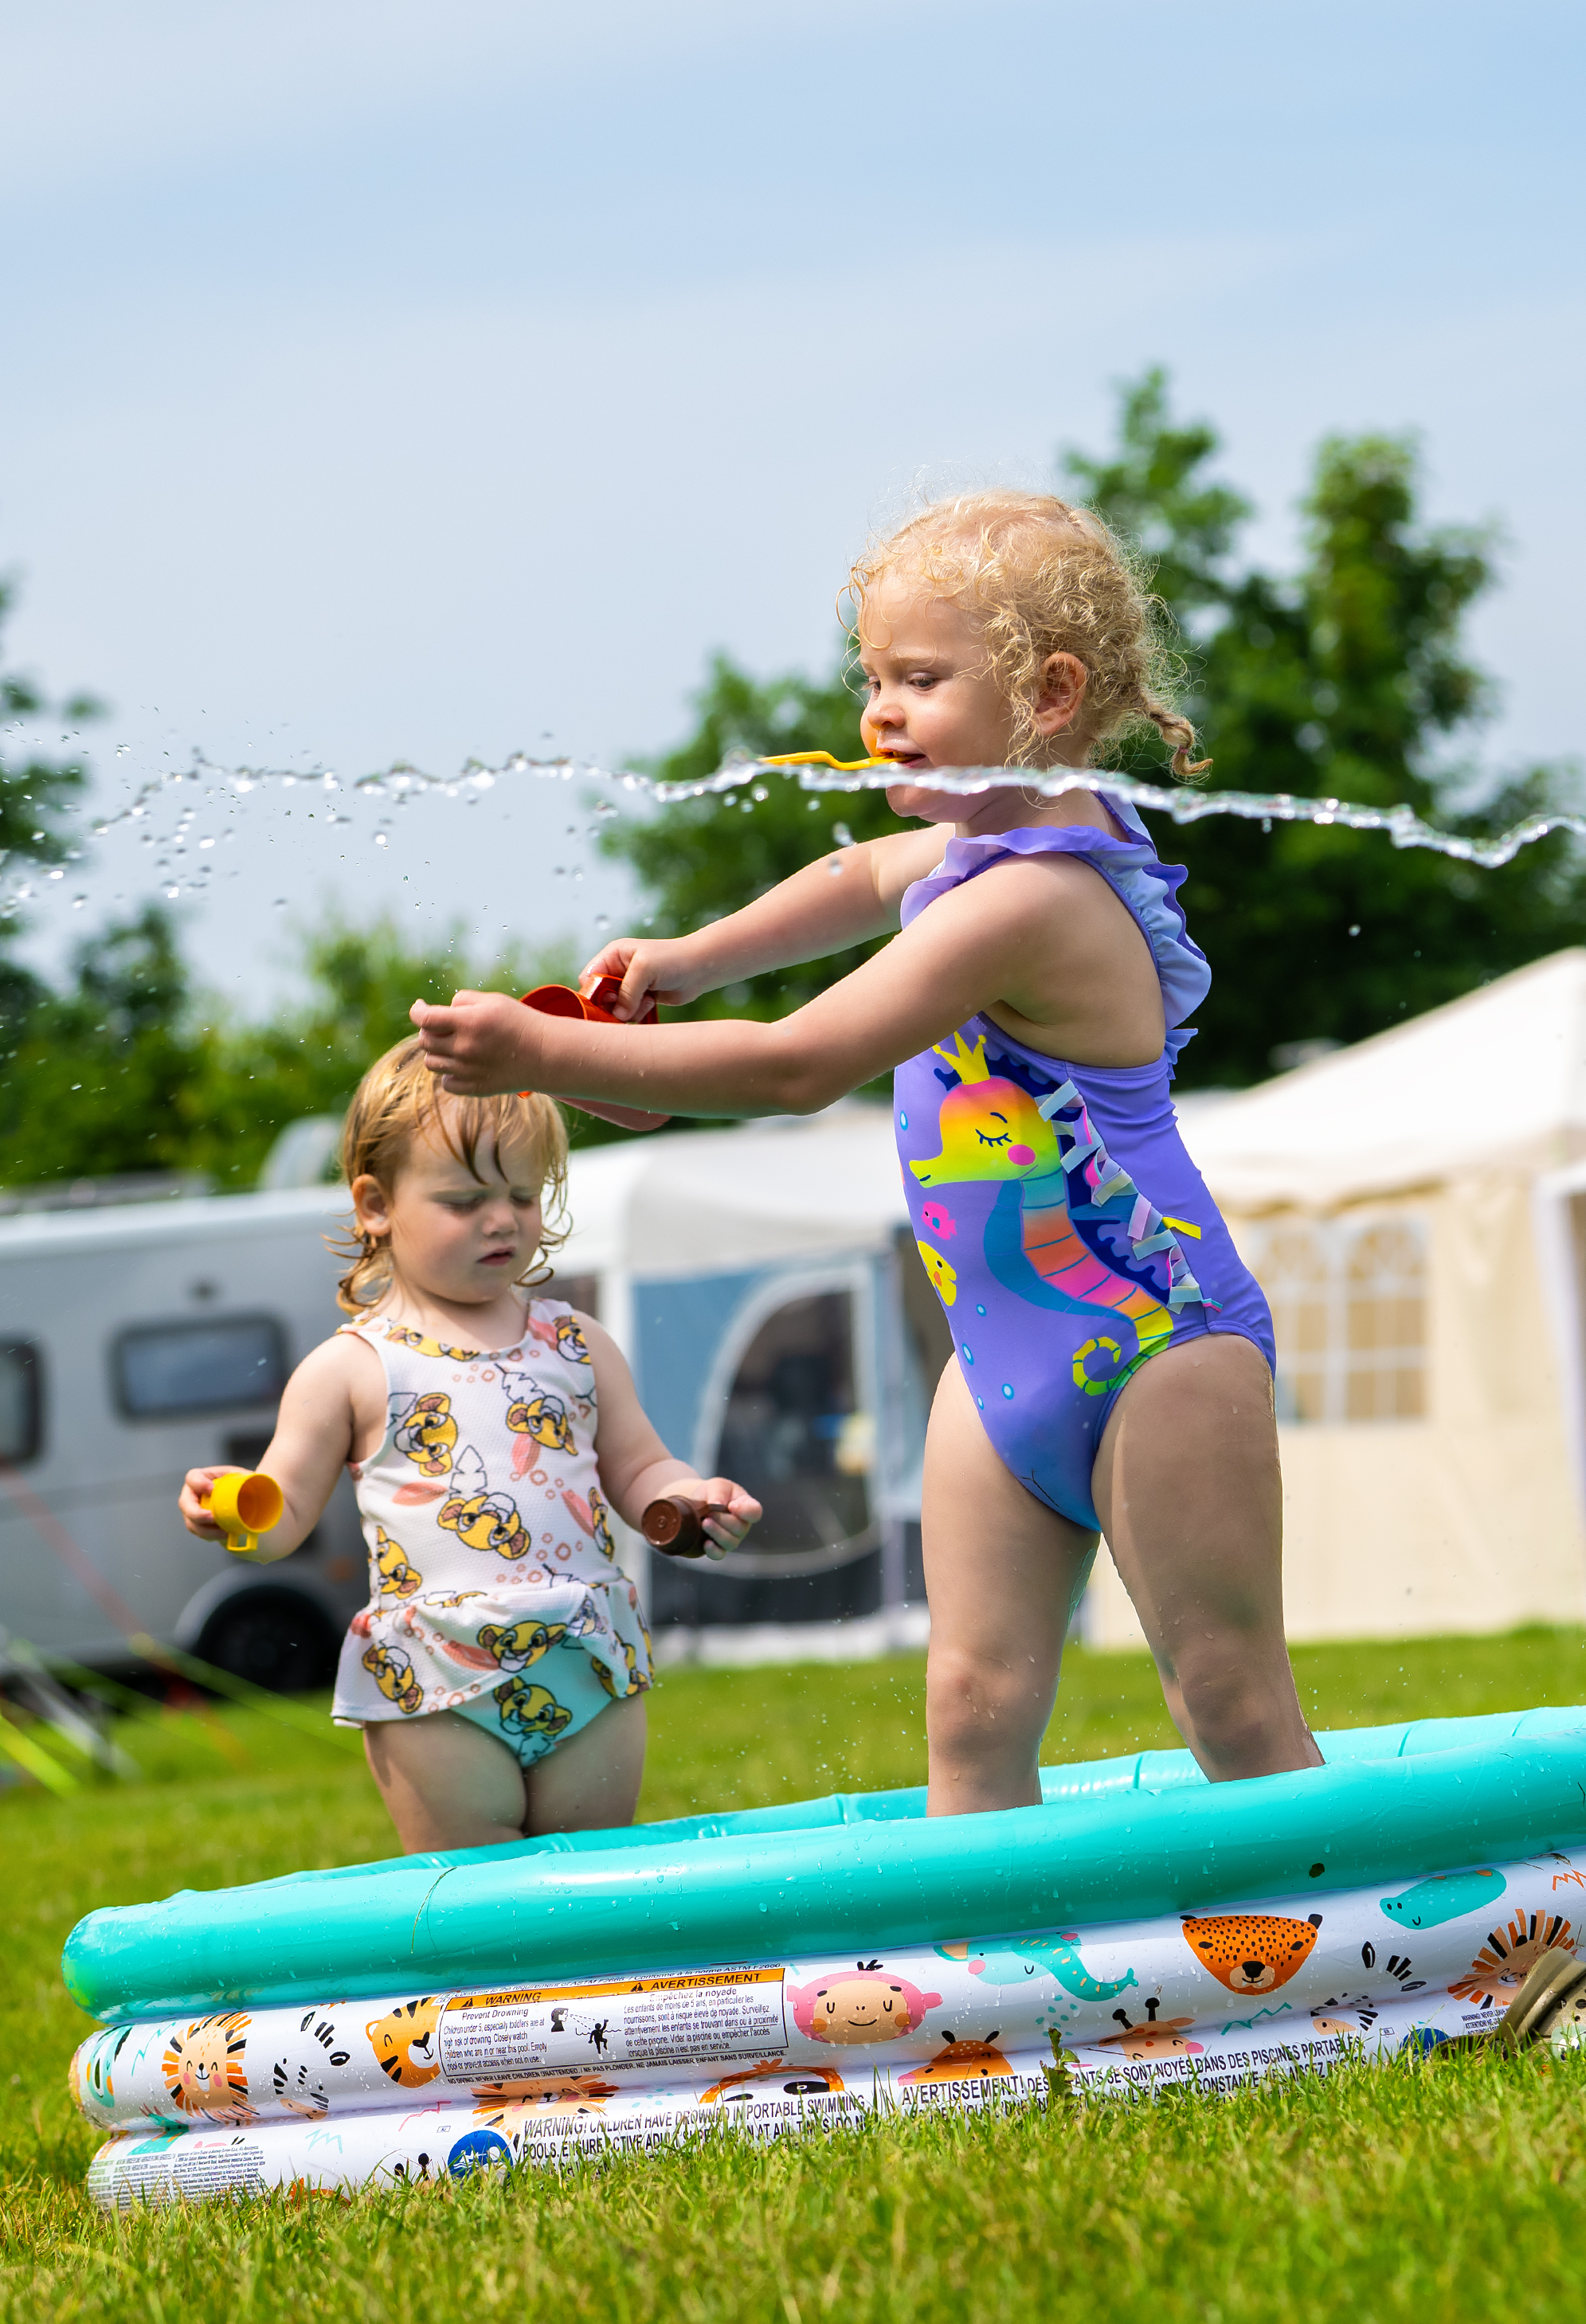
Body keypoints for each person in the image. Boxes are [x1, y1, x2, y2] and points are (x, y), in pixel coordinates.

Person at [413, 490, 1321, 1814]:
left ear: (1049, 692)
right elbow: (848, 882)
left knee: (1226, 1696)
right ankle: (990, 2000)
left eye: (919, 679)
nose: (876, 713)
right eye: (869, 680)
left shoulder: (1032, 898)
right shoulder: (966, 853)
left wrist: (543, 1057)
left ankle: (1348, 1963)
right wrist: (685, 960)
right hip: (1001, 1355)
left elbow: (798, 1066)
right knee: (969, 1707)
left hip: (1157, 1340)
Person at [179, 1039, 759, 1849]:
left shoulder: (576, 1343)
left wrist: (685, 1499)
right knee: (479, 1903)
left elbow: (638, 1467)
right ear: (375, 1205)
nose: (501, 1220)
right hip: (435, 1677)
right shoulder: (350, 1368)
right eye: (464, 1200)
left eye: (524, 1196)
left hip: (582, 1653)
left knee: (587, 1892)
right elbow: (282, 1516)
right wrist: (236, 1510)